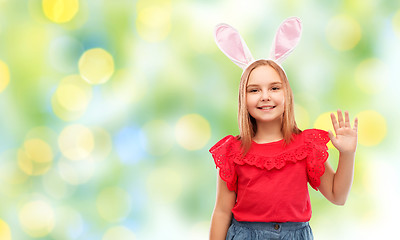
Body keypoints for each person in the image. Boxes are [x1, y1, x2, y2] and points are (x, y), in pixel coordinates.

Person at [209, 17, 358, 240]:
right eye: (254, 90)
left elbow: (338, 196)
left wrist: (347, 154)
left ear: (287, 94)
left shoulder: (305, 146)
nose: (265, 96)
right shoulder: (233, 151)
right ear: (243, 98)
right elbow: (222, 210)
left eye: (274, 88)